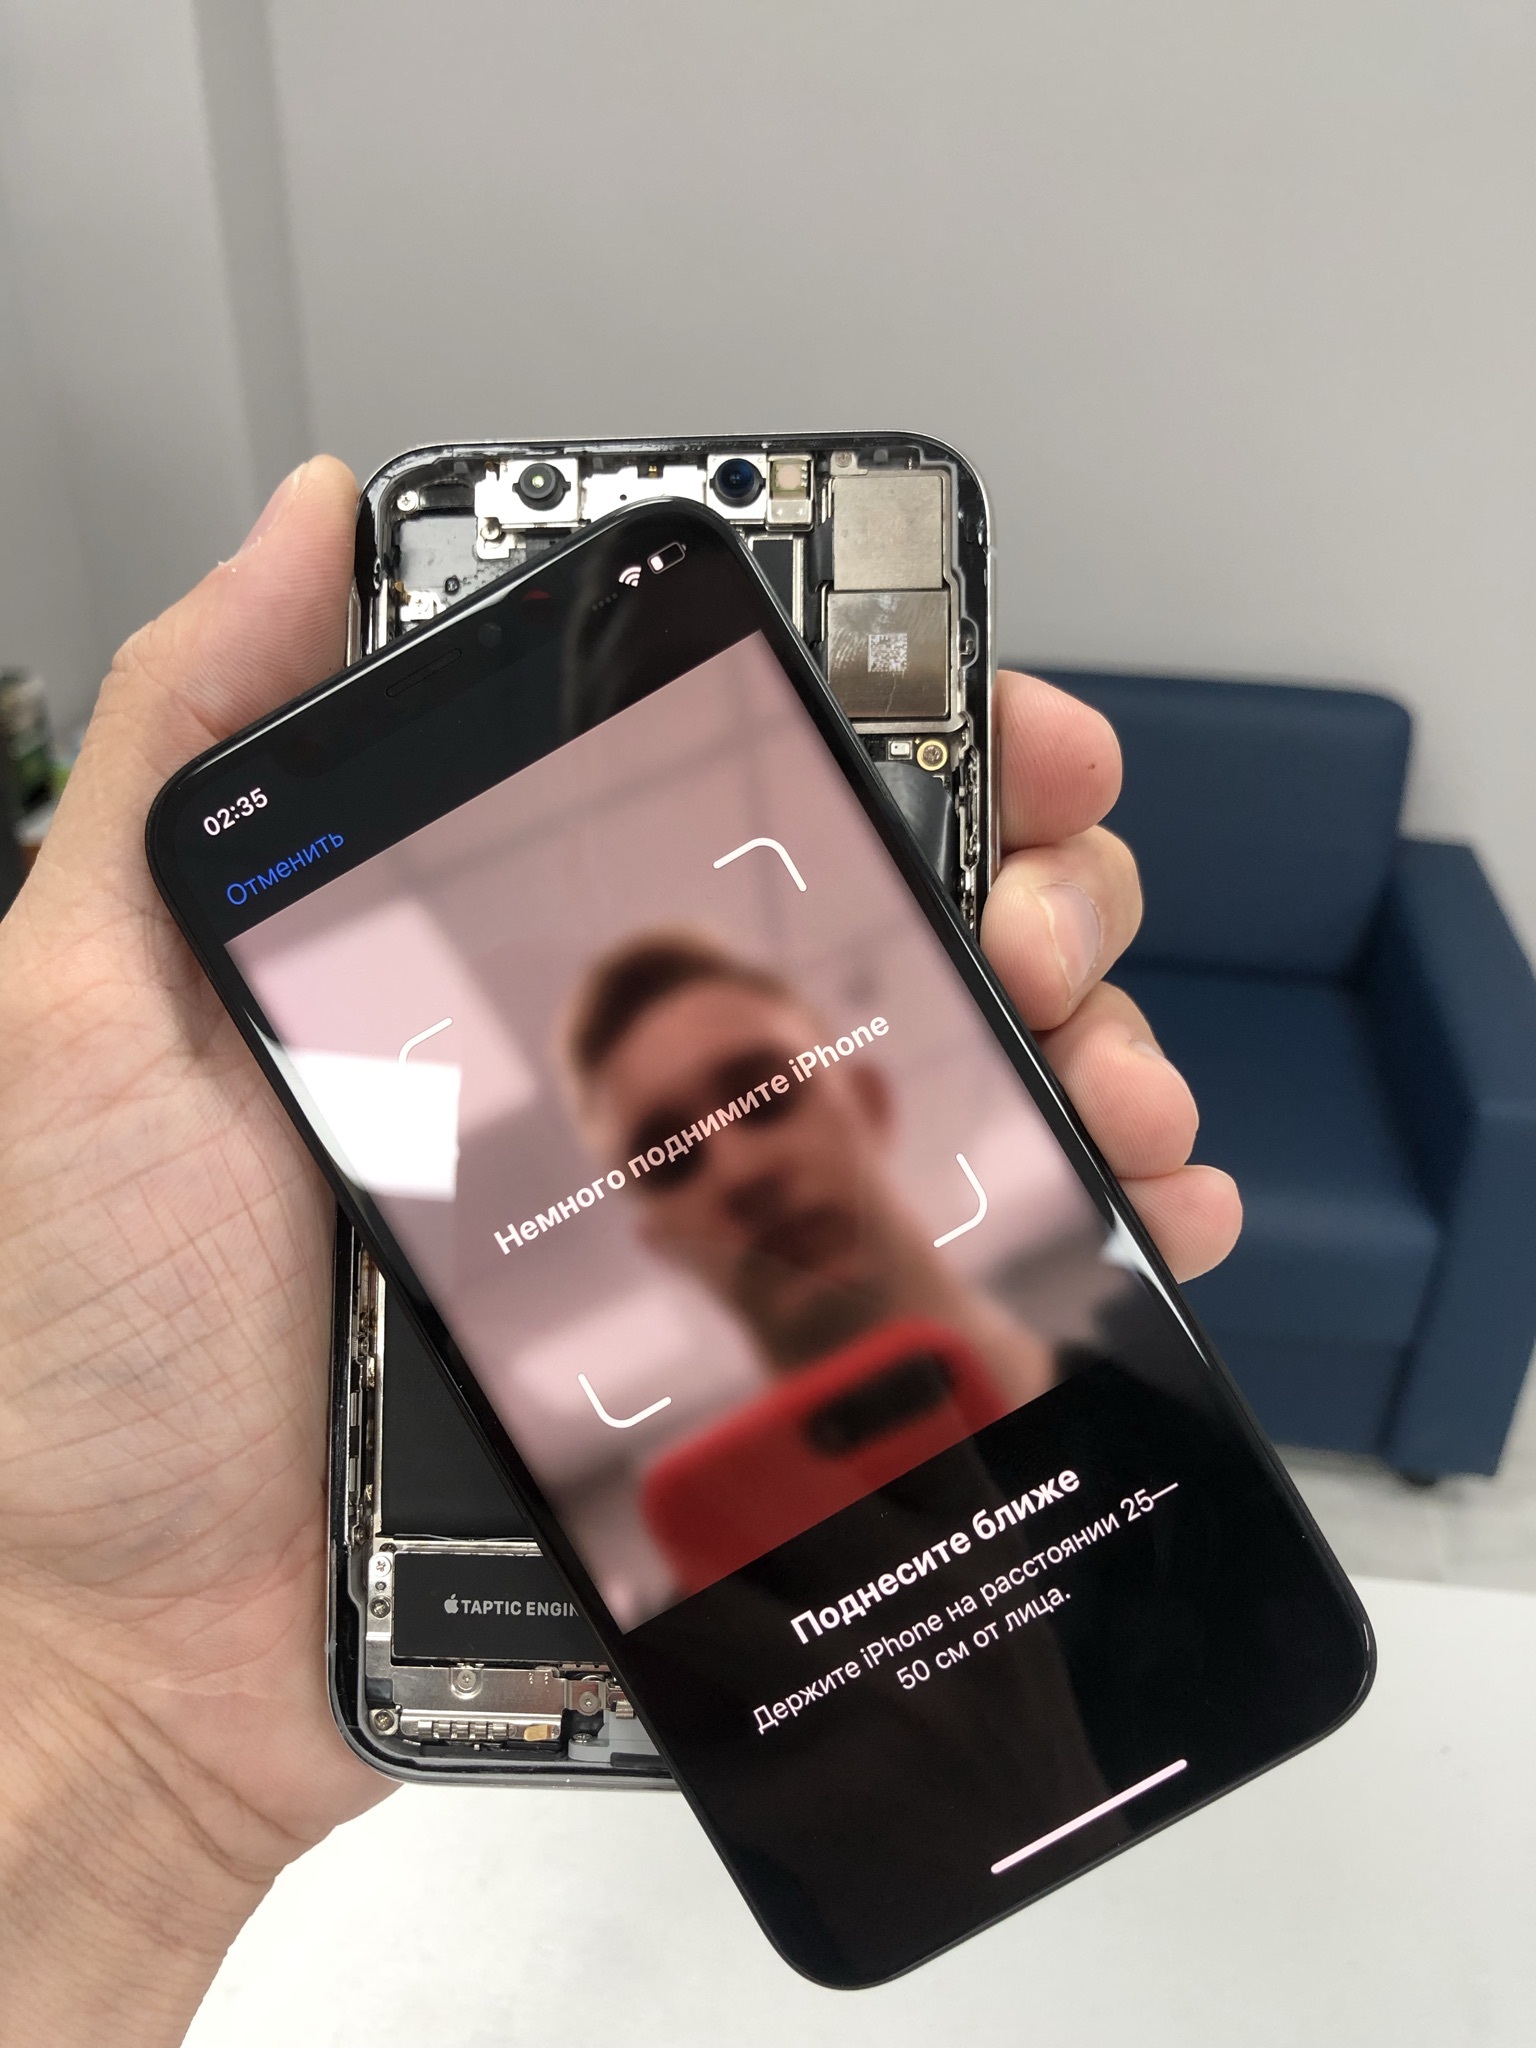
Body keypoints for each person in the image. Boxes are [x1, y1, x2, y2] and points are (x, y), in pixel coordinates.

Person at [0, 457, 1240, 2046]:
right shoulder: (662, 1507)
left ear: (862, 1084)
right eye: (670, 1143)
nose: (735, 1160)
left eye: (755, 1090)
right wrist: (112, 1721)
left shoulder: (1122, 1380)